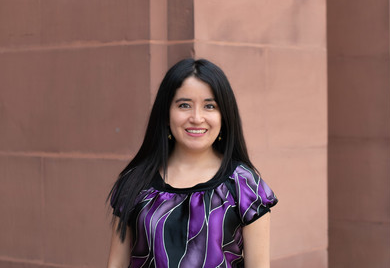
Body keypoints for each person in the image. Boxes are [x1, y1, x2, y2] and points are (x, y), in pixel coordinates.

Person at [107, 58, 278, 268]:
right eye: (184, 105)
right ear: (166, 113)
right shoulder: (135, 183)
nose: (197, 118)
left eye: (209, 106)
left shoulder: (245, 187)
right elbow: (116, 264)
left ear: (224, 115)